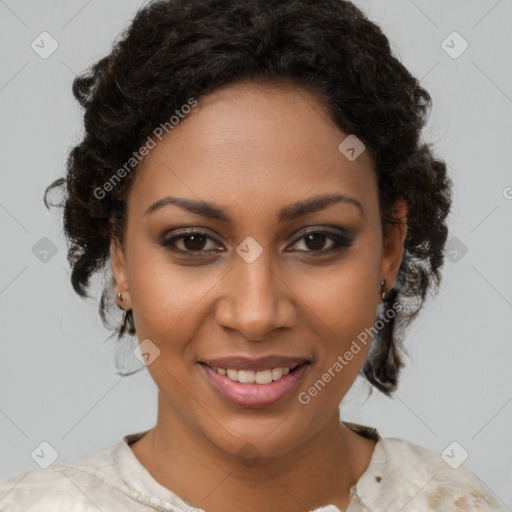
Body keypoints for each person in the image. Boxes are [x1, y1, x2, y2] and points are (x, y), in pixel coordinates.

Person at [0, 0, 506, 511]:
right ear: (122, 261)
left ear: (390, 247)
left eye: (316, 240)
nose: (256, 315)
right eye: (193, 241)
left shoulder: (453, 501)